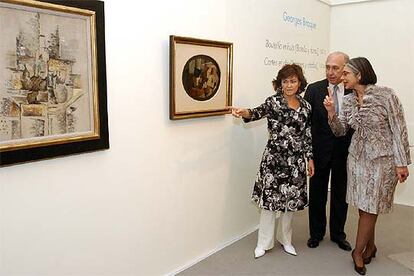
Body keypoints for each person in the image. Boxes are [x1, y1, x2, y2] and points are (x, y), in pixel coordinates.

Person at [324, 57, 410, 275]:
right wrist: (332, 113)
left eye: (346, 74)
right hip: (357, 159)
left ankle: (358, 251)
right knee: (364, 207)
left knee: (371, 208)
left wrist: (401, 163)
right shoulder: (349, 99)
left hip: (382, 161)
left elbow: (399, 129)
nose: (342, 78)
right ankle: (370, 246)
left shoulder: (386, 95)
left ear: (359, 75)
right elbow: (340, 130)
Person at [232, 64, 315, 258]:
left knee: (290, 204)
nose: (288, 85)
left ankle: (286, 240)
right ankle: (263, 243)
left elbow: (307, 135)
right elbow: (255, 112)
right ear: (279, 84)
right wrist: (243, 112)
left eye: (293, 81)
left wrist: (309, 158)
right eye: (285, 81)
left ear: (299, 82)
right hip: (274, 161)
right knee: (269, 204)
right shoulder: (273, 102)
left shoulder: (306, 107)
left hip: (296, 163)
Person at [304, 52, 353, 251]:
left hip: (345, 152)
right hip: (320, 151)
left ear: (345, 69)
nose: (330, 72)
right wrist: (309, 155)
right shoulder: (314, 89)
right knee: (317, 194)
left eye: (335, 68)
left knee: (341, 195)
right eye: (327, 67)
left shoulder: (353, 92)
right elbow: (306, 124)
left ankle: (338, 235)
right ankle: (316, 233)